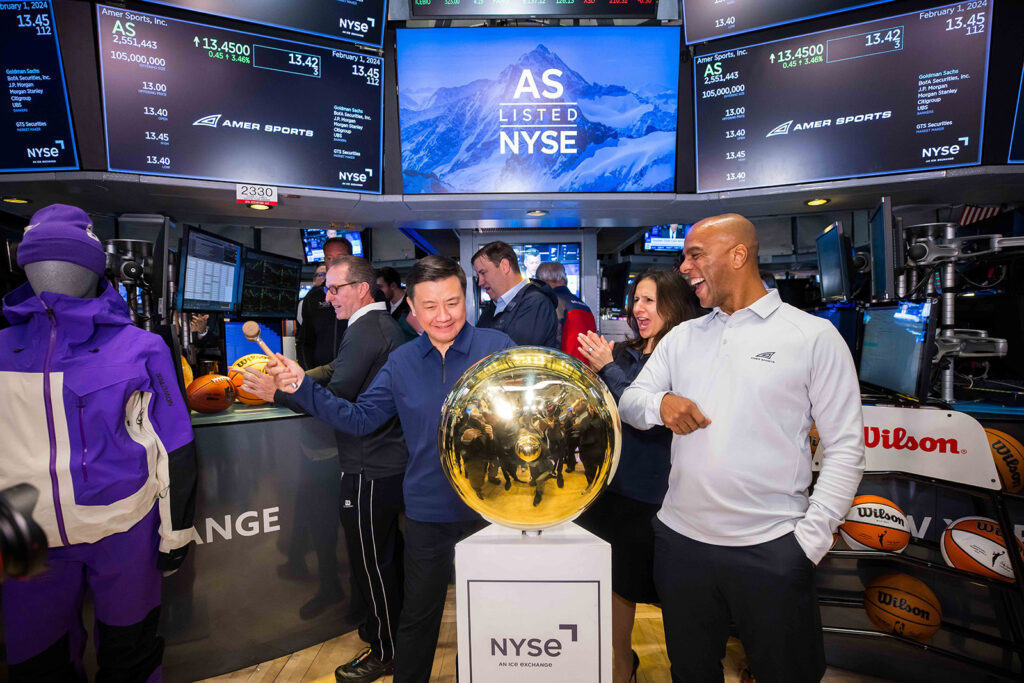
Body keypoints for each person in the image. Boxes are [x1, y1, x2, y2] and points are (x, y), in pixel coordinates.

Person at [618, 214, 865, 683]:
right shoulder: (683, 337)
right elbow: (631, 401)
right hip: (681, 544)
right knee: (690, 672)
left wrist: (807, 543)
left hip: (771, 548)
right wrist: (661, 403)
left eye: (695, 255)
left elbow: (846, 448)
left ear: (738, 255)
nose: (685, 267)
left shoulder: (811, 336)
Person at [266, 255, 515, 683]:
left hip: (490, 514)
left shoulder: (499, 349)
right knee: (418, 619)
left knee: (491, 619)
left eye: (452, 303)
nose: (443, 316)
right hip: (428, 513)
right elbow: (359, 418)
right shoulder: (401, 363)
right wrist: (302, 387)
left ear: (467, 301)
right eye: (430, 306)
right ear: (413, 310)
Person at [0, 204, 197, 681]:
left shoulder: (140, 347)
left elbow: (176, 447)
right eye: (38, 262)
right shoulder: (4, 350)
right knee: (37, 665)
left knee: (131, 657)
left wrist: (174, 535)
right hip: (26, 536)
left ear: (94, 269)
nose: (52, 273)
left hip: (123, 527)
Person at [247, 255, 409, 683]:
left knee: (374, 563)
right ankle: (382, 633)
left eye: (335, 289)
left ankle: (387, 651)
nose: (327, 297)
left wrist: (280, 393)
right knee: (378, 560)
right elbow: (338, 371)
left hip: (370, 466)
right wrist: (298, 375)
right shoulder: (374, 326)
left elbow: (338, 399)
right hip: (378, 463)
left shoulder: (368, 328)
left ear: (361, 288)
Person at [574, 269, 698, 683]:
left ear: (675, 304)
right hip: (615, 490)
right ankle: (622, 661)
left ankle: (687, 665)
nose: (639, 309)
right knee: (616, 586)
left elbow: (648, 413)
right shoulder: (625, 354)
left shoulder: (688, 358)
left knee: (675, 594)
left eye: (650, 300)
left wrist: (607, 367)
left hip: (661, 494)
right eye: (637, 300)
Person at [472, 241, 558, 348]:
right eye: (478, 275)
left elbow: (513, 357)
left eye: (483, 273)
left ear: (505, 266)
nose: (480, 282)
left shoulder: (536, 304)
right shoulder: (493, 308)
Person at [298, 237, 352, 368]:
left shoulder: (364, 293)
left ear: (351, 259)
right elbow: (305, 342)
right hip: (320, 377)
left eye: (340, 257)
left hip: (355, 375)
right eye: (329, 258)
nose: (334, 262)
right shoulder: (313, 297)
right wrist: (309, 375)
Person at [535, 261, 597, 363]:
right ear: (564, 278)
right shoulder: (585, 306)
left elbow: (552, 344)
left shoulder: (552, 303)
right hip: (586, 372)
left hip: (563, 371)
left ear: (541, 281)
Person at [376, 266, 419, 341]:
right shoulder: (383, 308)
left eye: (380, 287)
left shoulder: (413, 307)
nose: (377, 291)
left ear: (393, 286)